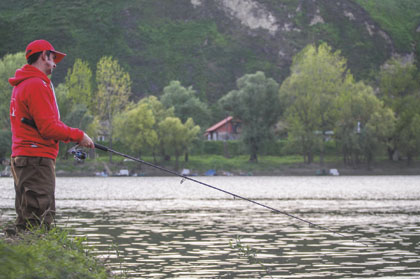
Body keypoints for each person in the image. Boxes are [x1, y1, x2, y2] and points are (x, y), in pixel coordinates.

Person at [8, 39, 94, 232]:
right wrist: (79, 135)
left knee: (26, 219)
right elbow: (48, 128)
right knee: (38, 221)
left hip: (25, 159)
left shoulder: (22, 84)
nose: (55, 63)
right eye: (52, 57)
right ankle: (33, 259)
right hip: (36, 160)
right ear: (43, 56)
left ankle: (23, 258)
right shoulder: (36, 85)